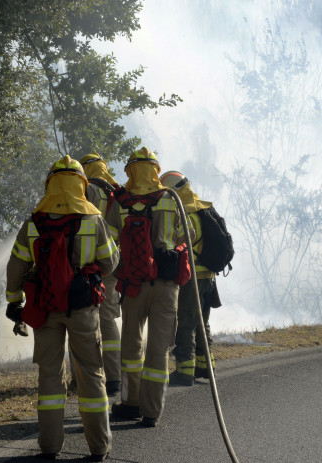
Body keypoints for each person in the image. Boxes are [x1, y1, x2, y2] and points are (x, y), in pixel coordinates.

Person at [4, 155, 119, 461]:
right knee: (92, 373)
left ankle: (50, 447)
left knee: (50, 377)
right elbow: (110, 263)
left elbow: (16, 266)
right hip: (82, 308)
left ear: (51, 183)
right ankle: (99, 447)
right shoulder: (93, 220)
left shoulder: (34, 221)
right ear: (81, 185)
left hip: (45, 309)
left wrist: (13, 300)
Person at [107, 147, 193, 427]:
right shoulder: (170, 198)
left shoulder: (119, 201)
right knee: (158, 350)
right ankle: (151, 412)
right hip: (166, 287)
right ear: (156, 171)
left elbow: (107, 243)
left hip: (133, 286)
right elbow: (189, 237)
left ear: (130, 170)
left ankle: (130, 403)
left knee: (131, 347)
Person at [160, 170, 219, 386]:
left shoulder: (184, 212)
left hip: (192, 275)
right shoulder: (203, 208)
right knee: (202, 322)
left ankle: (184, 371)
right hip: (209, 276)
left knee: (185, 322)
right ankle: (206, 367)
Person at [71, 152, 122, 395]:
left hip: (84, 264)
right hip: (110, 262)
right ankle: (114, 377)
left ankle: (83, 378)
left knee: (81, 318)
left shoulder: (87, 189)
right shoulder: (118, 193)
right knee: (109, 319)